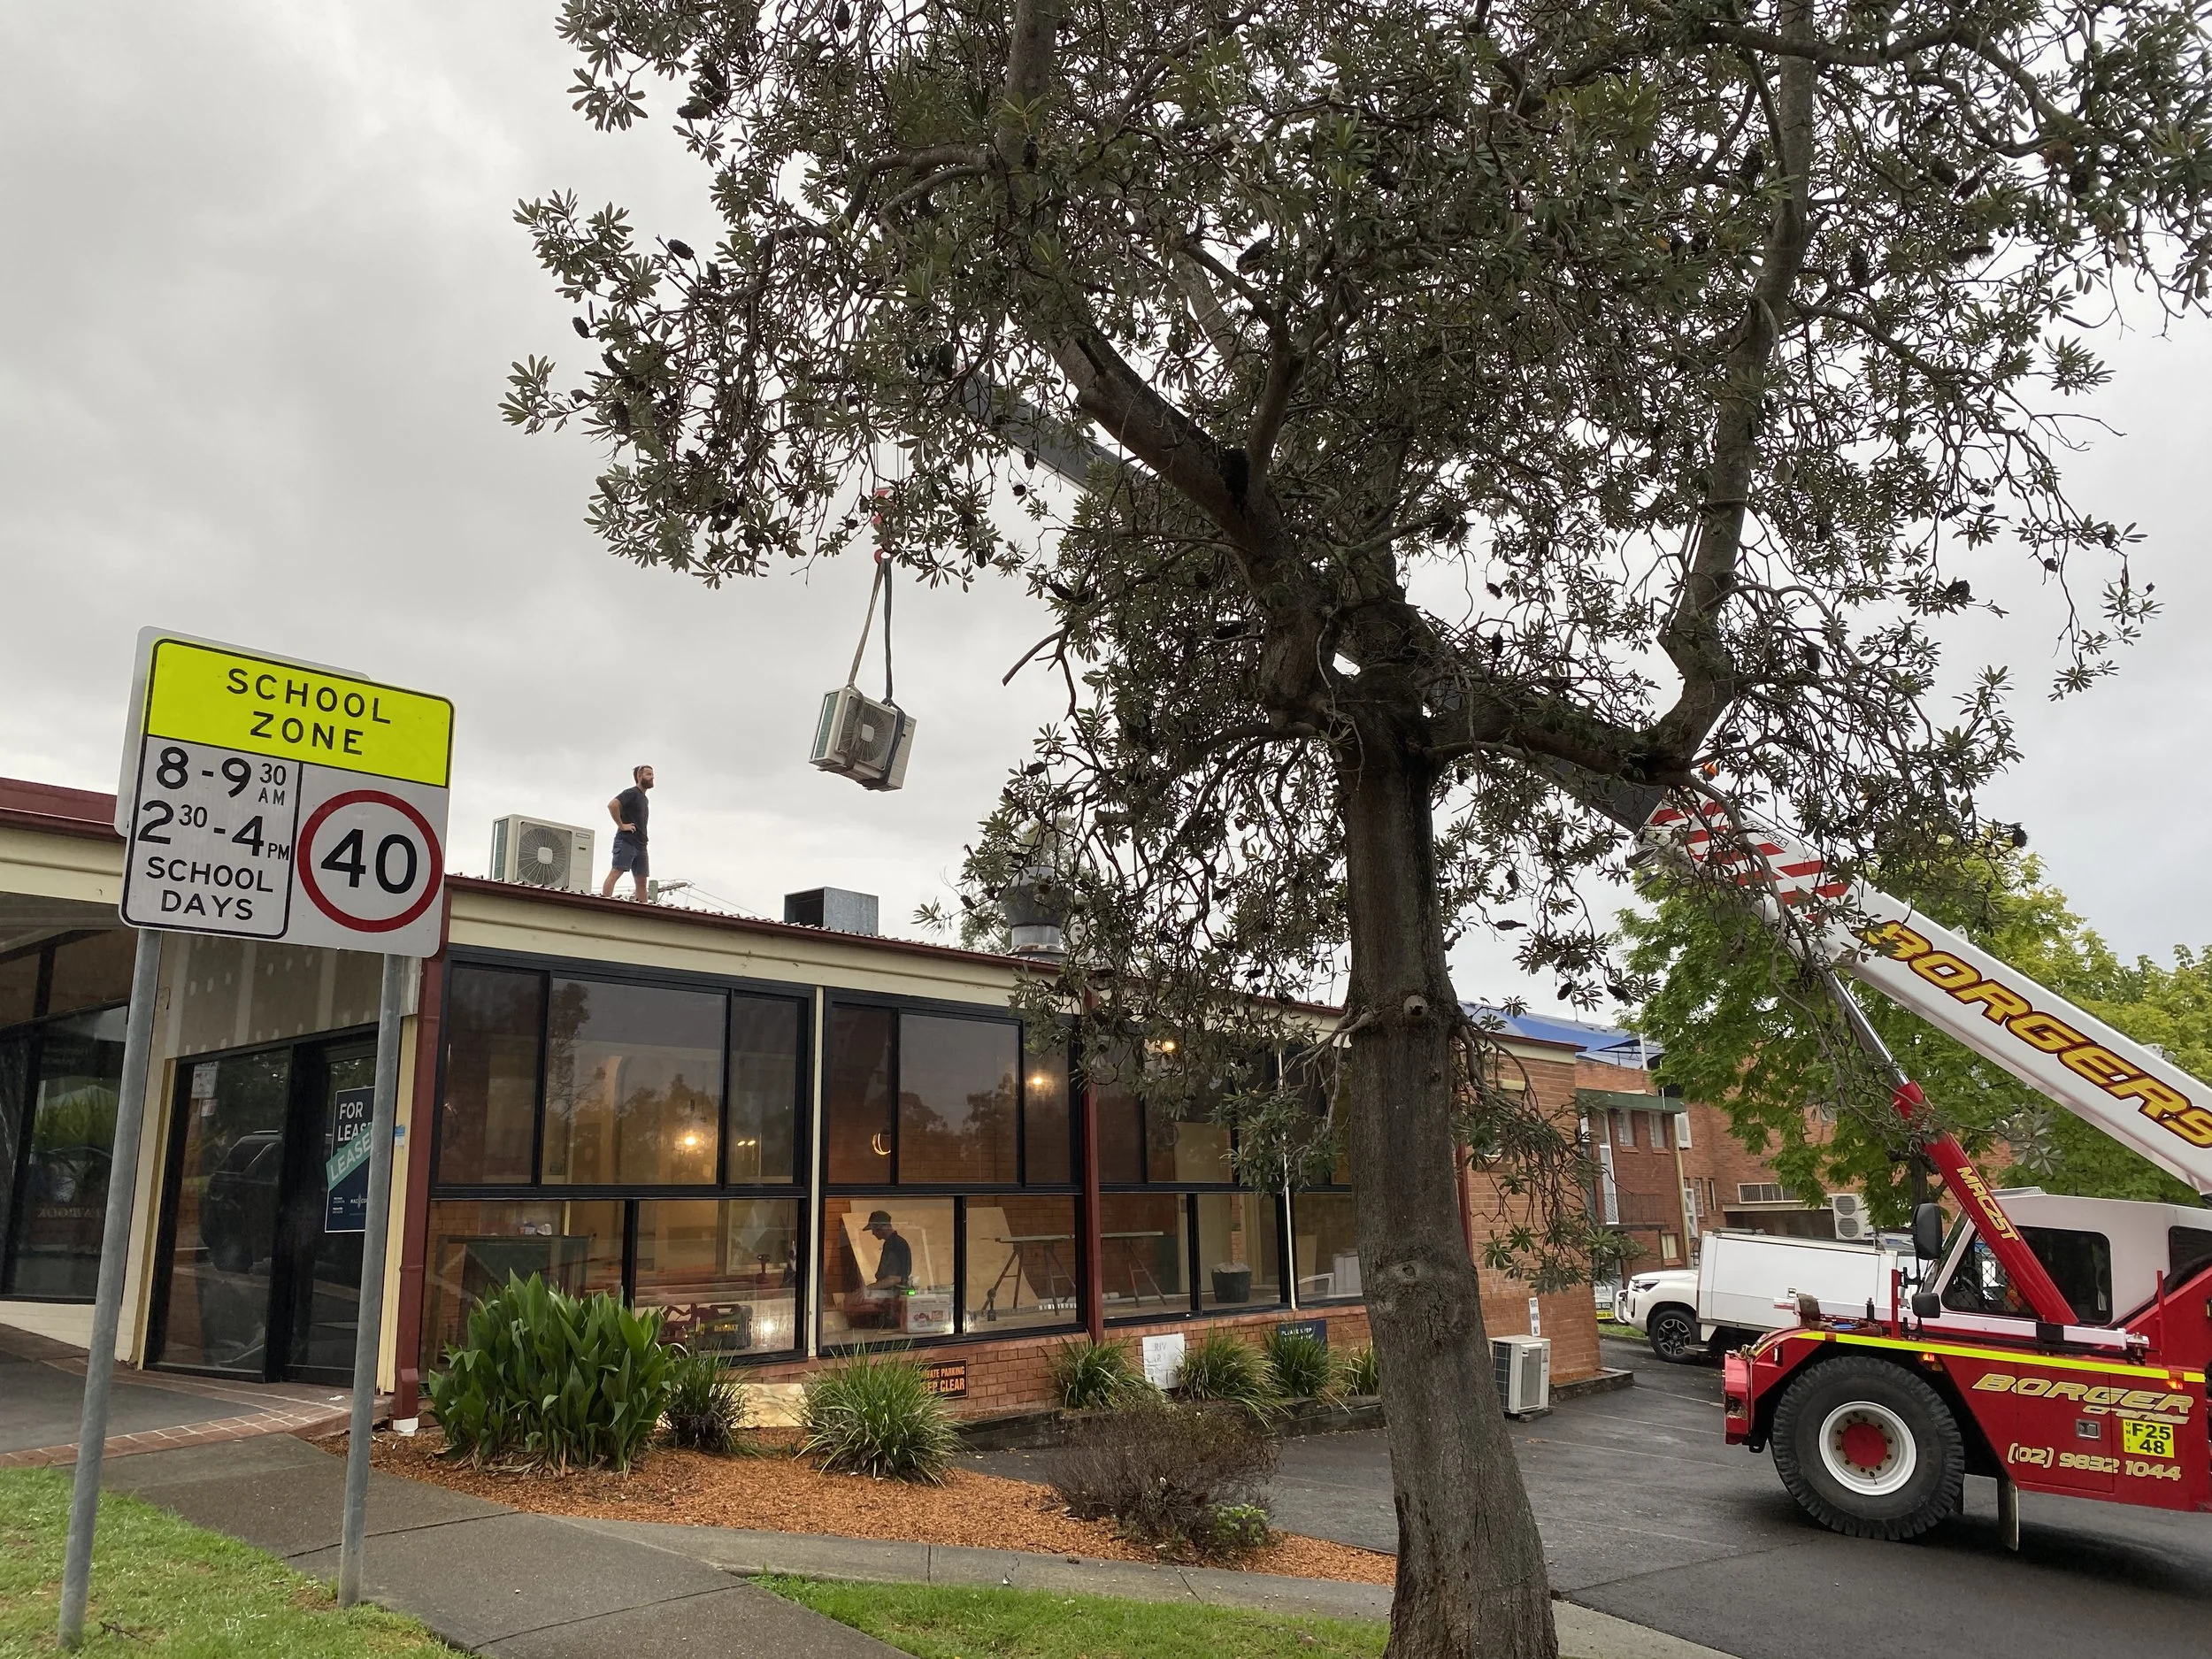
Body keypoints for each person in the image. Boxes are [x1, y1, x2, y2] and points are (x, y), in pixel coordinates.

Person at [842, 1209, 912, 1326]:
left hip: (892, 1294)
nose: (873, 1233)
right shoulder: (893, 1243)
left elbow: (893, 1278)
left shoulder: (894, 1244)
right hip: (890, 1292)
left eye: (874, 1230)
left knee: (852, 1302)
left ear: (881, 1228)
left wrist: (868, 1289)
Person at [601, 764, 654, 899]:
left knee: (642, 880)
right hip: (627, 840)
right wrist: (621, 825)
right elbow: (612, 805)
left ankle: (643, 911)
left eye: (652, 774)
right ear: (639, 776)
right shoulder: (632, 793)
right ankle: (604, 903)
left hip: (641, 844)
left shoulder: (644, 799)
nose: (652, 777)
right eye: (648, 774)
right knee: (616, 871)